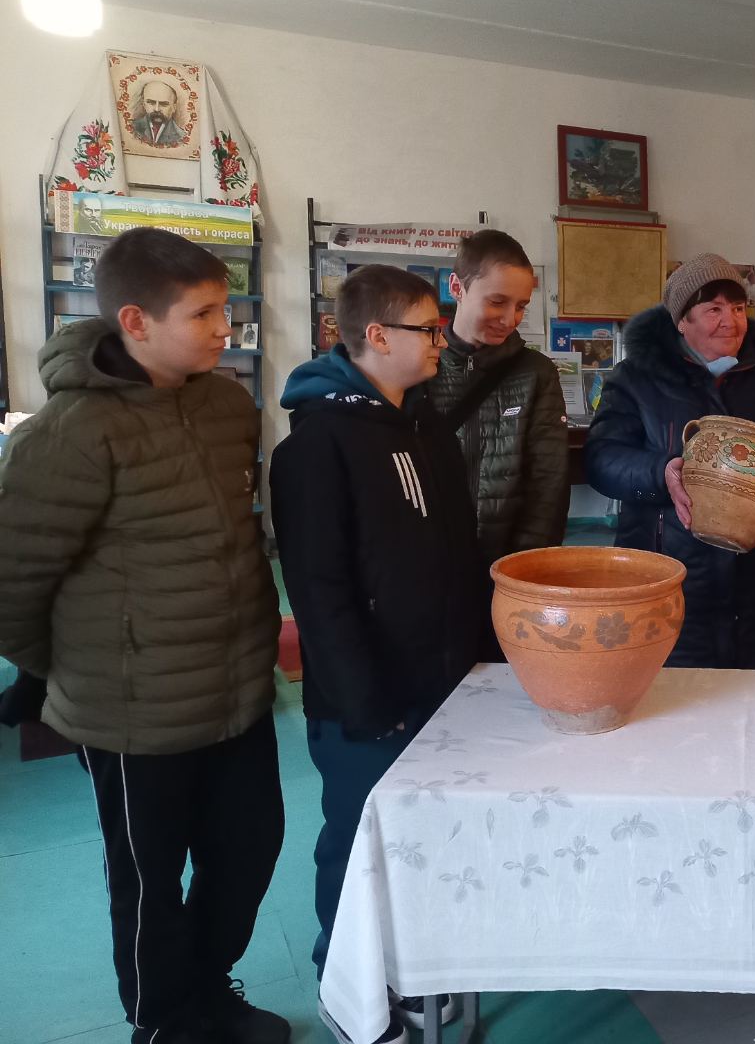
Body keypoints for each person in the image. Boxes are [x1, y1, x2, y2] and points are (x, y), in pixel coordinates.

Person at [0, 228, 286, 1044]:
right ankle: (162, 1021)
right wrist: (73, 672)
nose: (225, 328)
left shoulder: (225, 405)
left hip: (237, 689)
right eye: (202, 313)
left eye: (225, 309)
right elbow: (12, 581)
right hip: (133, 713)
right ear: (135, 320)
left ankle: (206, 987)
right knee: (148, 879)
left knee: (249, 850)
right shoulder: (68, 433)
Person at [270, 265, 491, 1044]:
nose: (440, 342)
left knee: (430, 841)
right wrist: (365, 703)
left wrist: (479, 665)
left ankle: (412, 975)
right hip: (365, 702)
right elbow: (320, 593)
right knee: (358, 848)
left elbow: (460, 558)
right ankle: (349, 994)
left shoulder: (427, 429)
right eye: (427, 329)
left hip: (443, 685)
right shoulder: (315, 447)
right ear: (374, 335)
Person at [585, 253, 755, 670]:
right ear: (682, 320)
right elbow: (602, 458)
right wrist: (661, 472)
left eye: (738, 308)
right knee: (673, 702)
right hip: (671, 586)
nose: (730, 321)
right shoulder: (636, 378)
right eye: (714, 309)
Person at [430, 229, 569, 562]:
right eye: (497, 302)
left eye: (521, 306)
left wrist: (524, 566)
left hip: (508, 561)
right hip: (431, 558)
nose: (510, 319)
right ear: (456, 287)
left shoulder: (536, 373)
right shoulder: (421, 366)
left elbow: (548, 485)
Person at [130, 79, 184, 147]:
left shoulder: (181, 137)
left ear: (174, 108)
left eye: (164, 104)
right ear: (144, 104)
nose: (157, 109)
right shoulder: (131, 128)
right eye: (151, 102)